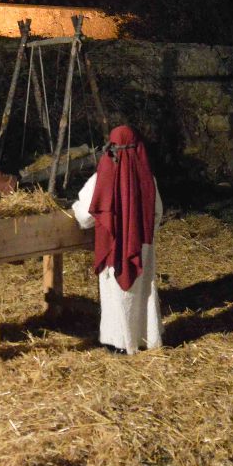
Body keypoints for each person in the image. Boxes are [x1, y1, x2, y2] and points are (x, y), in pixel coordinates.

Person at [71, 125, 164, 355]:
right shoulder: (148, 178)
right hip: (141, 246)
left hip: (113, 247)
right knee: (142, 291)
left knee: (116, 293)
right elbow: (157, 213)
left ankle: (119, 343)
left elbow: (84, 215)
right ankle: (145, 338)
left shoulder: (101, 177)